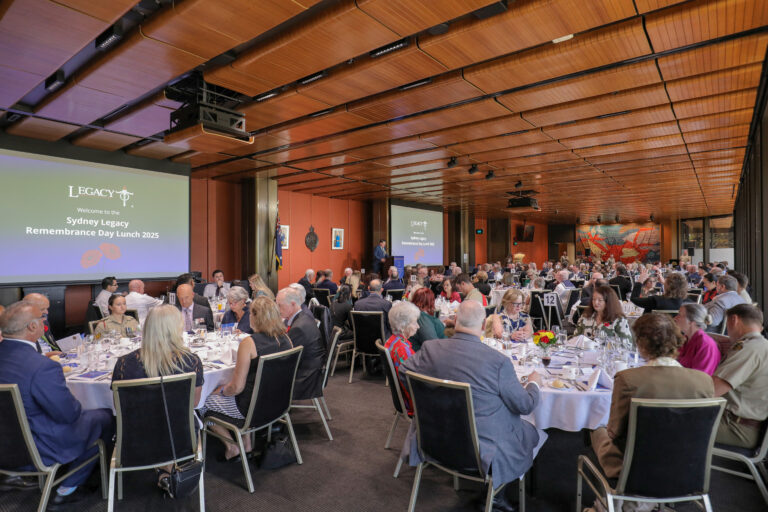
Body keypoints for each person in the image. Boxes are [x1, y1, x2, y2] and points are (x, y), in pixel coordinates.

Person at [400, 301, 544, 510]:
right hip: (480, 450)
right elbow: (525, 406)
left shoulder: (430, 348)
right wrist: (533, 384)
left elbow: (405, 373)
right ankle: (497, 494)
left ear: (456, 320)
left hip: (432, 438)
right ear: (484, 323)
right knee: (528, 429)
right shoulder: (498, 362)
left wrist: (427, 399)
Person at [589, 313, 714, 500]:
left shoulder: (628, 379)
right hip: (688, 468)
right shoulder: (704, 381)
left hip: (635, 470)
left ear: (640, 343)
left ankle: (617, 502)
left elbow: (615, 432)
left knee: (595, 428)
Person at [0, 302, 113, 506]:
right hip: (36, 449)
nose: (45, 322)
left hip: (5, 445)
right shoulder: (42, 367)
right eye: (41, 319)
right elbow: (69, 415)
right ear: (32, 328)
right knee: (104, 416)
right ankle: (69, 485)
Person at [111, 305, 204, 492]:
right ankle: (167, 468)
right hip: (181, 437)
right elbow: (193, 404)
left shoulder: (124, 364)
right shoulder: (191, 361)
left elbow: (119, 408)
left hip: (135, 440)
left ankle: (163, 470)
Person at [203, 297, 293, 461]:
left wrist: (220, 390)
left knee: (202, 402)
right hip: (278, 404)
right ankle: (246, 443)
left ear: (257, 316)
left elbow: (236, 388)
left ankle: (232, 447)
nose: (248, 316)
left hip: (250, 409)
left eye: (250, 313)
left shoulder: (249, 343)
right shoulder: (287, 339)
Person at [712, 304, 768, 449]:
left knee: (667, 419)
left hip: (736, 427)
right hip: (746, 424)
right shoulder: (761, 346)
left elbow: (713, 390)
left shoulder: (748, 348)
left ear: (734, 320)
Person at [276, 287, 326, 400]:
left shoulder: (299, 327)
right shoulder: (301, 318)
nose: (278, 309)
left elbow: (286, 357)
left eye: (280, 305)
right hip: (310, 369)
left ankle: (270, 412)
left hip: (306, 377)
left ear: (293, 304)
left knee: (261, 375)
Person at [384, 301, 420, 413]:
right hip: (414, 403)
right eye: (414, 323)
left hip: (403, 399)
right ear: (403, 326)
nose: (418, 326)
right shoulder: (402, 349)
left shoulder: (391, 341)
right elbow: (415, 382)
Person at [674, 303, 720, 376]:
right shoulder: (686, 338)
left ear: (691, 322)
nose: (675, 318)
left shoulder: (706, 345)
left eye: (680, 315)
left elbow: (700, 378)